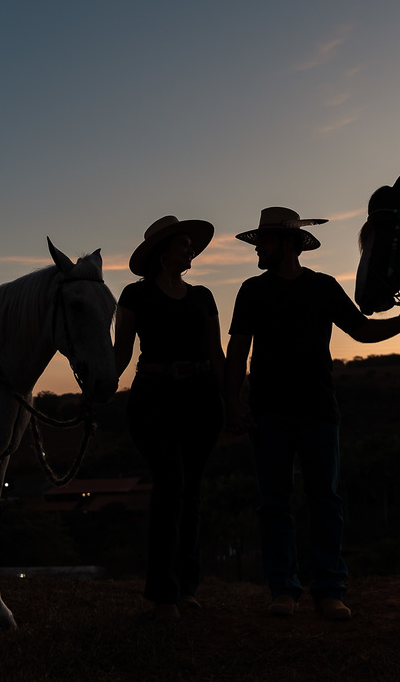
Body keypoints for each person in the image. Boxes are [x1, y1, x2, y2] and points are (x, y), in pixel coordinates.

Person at [224, 206, 400, 621]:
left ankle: (329, 590)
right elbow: (237, 352)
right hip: (269, 413)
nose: (258, 248)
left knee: (325, 502)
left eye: (264, 240)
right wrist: (232, 404)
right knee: (275, 503)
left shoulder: (323, 287)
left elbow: (361, 330)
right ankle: (284, 590)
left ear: (288, 243)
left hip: (318, 410)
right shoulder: (251, 291)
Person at [115, 215, 226, 622]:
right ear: (162, 252)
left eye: (191, 245)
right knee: (170, 485)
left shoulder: (203, 297)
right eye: (183, 244)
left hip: (201, 400)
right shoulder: (135, 295)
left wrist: (234, 401)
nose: (190, 249)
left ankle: (187, 588)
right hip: (153, 399)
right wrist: (95, 391)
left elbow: (215, 353)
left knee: (190, 492)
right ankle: (164, 593)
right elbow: (120, 354)